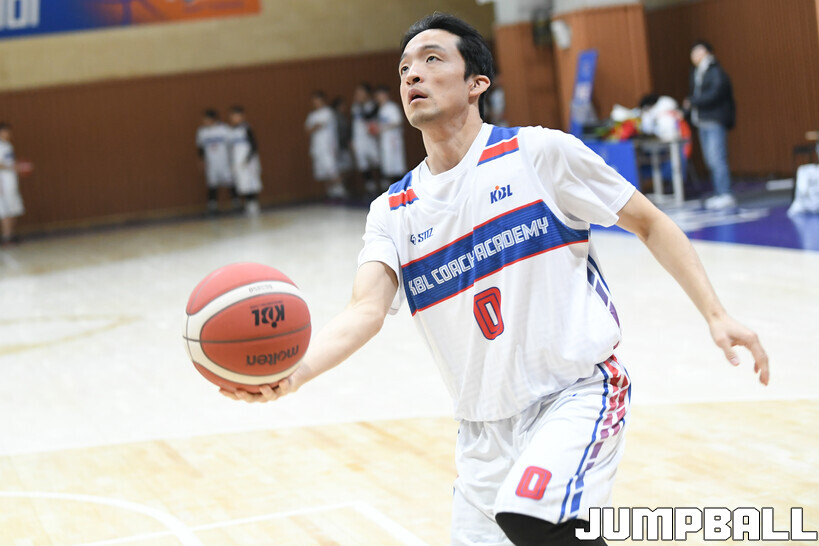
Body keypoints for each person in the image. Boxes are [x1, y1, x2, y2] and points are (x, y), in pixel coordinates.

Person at [222, 14, 769, 546]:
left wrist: (716, 314)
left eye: (431, 59)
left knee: (532, 516)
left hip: (574, 395)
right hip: (481, 434)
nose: (412, 74)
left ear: (477, 82)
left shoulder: (539, 153)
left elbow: (650, 222)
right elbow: (365, 310)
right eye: (405, 67)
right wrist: (296, 373)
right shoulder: (392, 211)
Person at [683, 40, 736, 210]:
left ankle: (725, 193)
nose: (695, 56)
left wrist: (693, 101)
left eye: (698, 52)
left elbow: (716, 93)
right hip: (702, 121)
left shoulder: (715, 71)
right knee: (710, 160)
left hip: (714, 120)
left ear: (707, 53)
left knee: (717, 158)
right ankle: (719, 193)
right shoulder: (697, 72)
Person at [305, 91, 345, 200]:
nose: (315, 103)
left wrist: (313, 127)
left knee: (332, 169)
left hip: (328, 146)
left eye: (317, 100)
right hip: (317, 147)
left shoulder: (328, 112)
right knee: (322, 172)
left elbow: (318, 126)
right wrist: (313, 127)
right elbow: (307, 129)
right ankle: (330, 191)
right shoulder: (312, 115)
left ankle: (340, 189)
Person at [196, 109, 236, 214]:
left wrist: (233, 159)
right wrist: (201, 160)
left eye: (206, 119)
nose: (204, 121)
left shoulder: (224, 129)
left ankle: (236, 203)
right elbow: (200, 147)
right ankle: (212, 206)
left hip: (224, 162)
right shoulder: (202, 132)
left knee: (230, 182)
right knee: (212, 184)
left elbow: (232, 145)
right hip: (211, 163)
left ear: (213, 119)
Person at [226, 105, 263, 216]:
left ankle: (253, 204)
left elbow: (254, 145)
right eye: (233, 116)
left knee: (251, 182)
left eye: (237, 116)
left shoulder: (246, 128)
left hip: (248, 161)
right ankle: (248, 204)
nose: (234, 118)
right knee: (242, 184)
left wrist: (248, 159)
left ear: (242, 116)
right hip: (238, 162)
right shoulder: (231, 131)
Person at [0, 123, 29, 246]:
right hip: (3, 184)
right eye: (6, 131)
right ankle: (6, 237)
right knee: (5, 211)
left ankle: (11, 235)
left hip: (11, 182)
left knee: (13, 209)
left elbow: (10, 163)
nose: (8, 134)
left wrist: (21, 166)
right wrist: (13, 167)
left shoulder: (8, 145)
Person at [373, 84, 407, 190]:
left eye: (379, 95)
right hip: (385, 141)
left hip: (393, 141)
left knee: (396, 166)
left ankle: (402, 190)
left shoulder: (392, 107)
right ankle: (392, 190)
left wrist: (382, 128)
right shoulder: (381, 109)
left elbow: (398, 122)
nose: (378, 98)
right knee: (388, 166)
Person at [350, 83, 381, 195]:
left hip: (371, 139)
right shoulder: (355, 107)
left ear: (367, 93)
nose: (358, 95)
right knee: (363, 163)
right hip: (359, 139)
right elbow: (353, 123)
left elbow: (368, 116)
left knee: (376, 161)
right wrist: (352, 139)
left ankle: (383, 185)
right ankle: (370, 187)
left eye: (360, 93)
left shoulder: (374, 105)